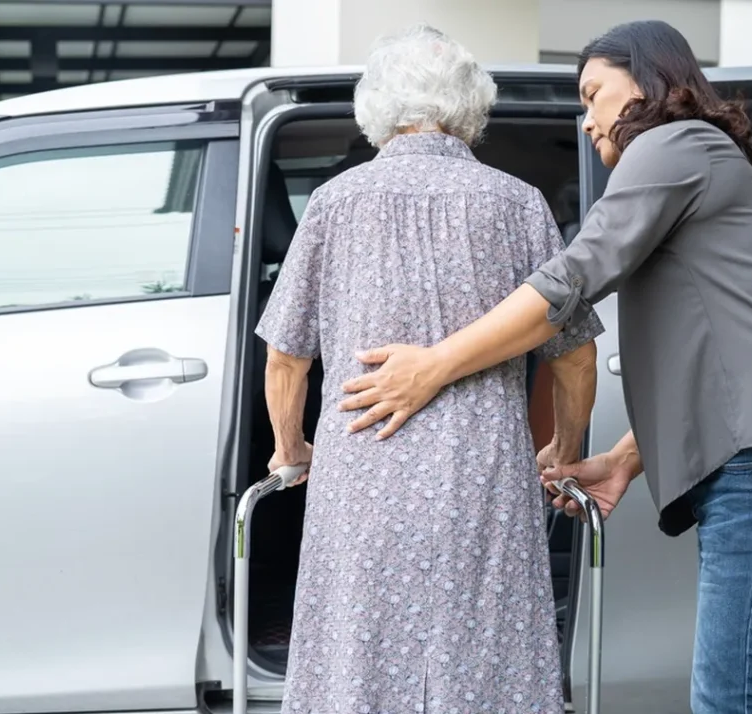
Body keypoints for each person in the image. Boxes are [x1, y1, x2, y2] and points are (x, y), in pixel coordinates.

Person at [334, 20, 752, 714]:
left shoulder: (672, 143)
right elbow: (725, 356)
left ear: (652, 81)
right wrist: (625, 458)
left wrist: (434, 365)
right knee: (748, 698)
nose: (587, 117)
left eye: (594, 94)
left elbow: (569, 282)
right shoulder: (710, 166)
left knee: (733, 703)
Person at [257, 24, 603, 714]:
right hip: (483, 483)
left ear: (376, 107)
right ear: (471, 106)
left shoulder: (334, 203)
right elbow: (575, 357)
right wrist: (564, 452)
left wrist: (292, 449)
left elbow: (287, 357)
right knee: (485, 653)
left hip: (363, 475)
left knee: (359, 655)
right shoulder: (517, 203)